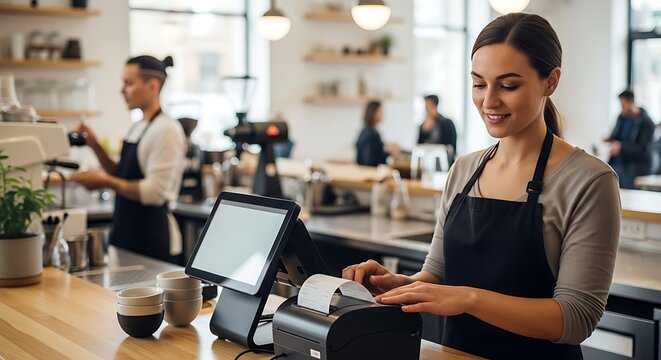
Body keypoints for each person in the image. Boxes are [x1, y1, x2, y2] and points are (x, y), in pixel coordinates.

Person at [343, 13, 620, 359]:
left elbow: (576, 318)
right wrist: (399, 284)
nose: (489, 101)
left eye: (508, 85)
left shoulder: (589, 181)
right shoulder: (465, 169)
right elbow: (439, 274)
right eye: (478, 84)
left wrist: (468, 298)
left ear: (550, 81)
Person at [70, 55, 186, 264]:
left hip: (152, 239)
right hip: (127, 233)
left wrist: (104, 181)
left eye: (128, 83)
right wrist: (94, 145)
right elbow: (121, 172)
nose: (122, 90)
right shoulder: (139, 125)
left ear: (152, 86)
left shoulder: (166, 130)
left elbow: (154, 193)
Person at [605, 89, 656, 188]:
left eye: (623, 104)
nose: (621, 107)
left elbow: (644, 149)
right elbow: (616, 136)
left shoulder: (646, 122)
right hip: (617, 164)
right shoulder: (621, 118)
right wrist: (610, 139)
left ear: (631, 102)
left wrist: (621, 147)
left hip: (634, 168)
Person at [355, 100, 399, 166]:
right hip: (368, 172)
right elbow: (371, 160)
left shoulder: (369, 131)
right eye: (380, 112)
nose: (383, 114)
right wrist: (388, 152)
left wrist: (387, 148)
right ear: (373, 113)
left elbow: (375, 151)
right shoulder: (370, 133)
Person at [418, 95, 458, 165]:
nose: (426, 108)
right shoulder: (423, 125)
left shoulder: (447, 123)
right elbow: (419, 146)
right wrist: (424, 131)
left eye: (428, 105)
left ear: (434, 105)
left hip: (444, 162)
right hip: (427, 162)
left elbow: (451, 146)